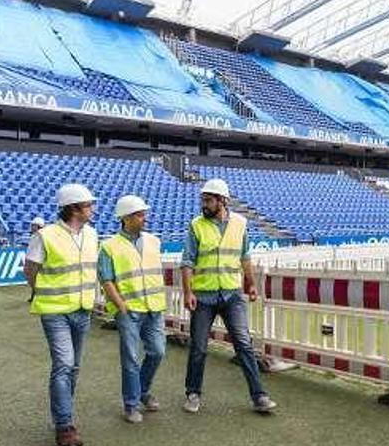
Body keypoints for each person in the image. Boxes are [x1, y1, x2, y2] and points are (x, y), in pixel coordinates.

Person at [181, 178, 276, 414]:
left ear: (222, 201)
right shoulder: (196, 225)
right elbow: (187, 262)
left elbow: (244, 257)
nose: (204, 204)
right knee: (199, 348)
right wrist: (188, 291)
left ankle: (259, 396)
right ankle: (193, 393)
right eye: (203, 199)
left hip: (232, 294)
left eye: (209, 200)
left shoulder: (240, 223)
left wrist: (251, 284)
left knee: (244, 345)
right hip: (203, 296)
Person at [24, 184, 98, 446]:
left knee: (73, 368)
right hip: (55, 312)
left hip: (82, 309)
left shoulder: (92, 235)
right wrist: (40, 291)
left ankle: (63, 413)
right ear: (74, 208)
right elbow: (30, 269)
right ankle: (65, 425)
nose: (93, 209)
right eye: (89, 205)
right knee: (64, 364)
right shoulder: (45, 235)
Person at [98, 195, 166, 424]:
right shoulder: (109, 246)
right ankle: (131, 404)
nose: (144, 218)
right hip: (129, 310)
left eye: (143, 213)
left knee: (157, 351)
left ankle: (143, 390)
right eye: (139, 214)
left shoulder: (154, 241)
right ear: (125, 218)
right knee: (130, 357)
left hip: (154, 307)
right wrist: (120, 306)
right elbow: (106, 280)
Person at [27, 217, 46, 302]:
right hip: (32, 259)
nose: (32, 227)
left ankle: (37, 296)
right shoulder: (33, 235)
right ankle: (34, 295)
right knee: (32, 279)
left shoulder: (42, 235)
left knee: (35, 279)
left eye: (34, 225)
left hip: (38, 260)